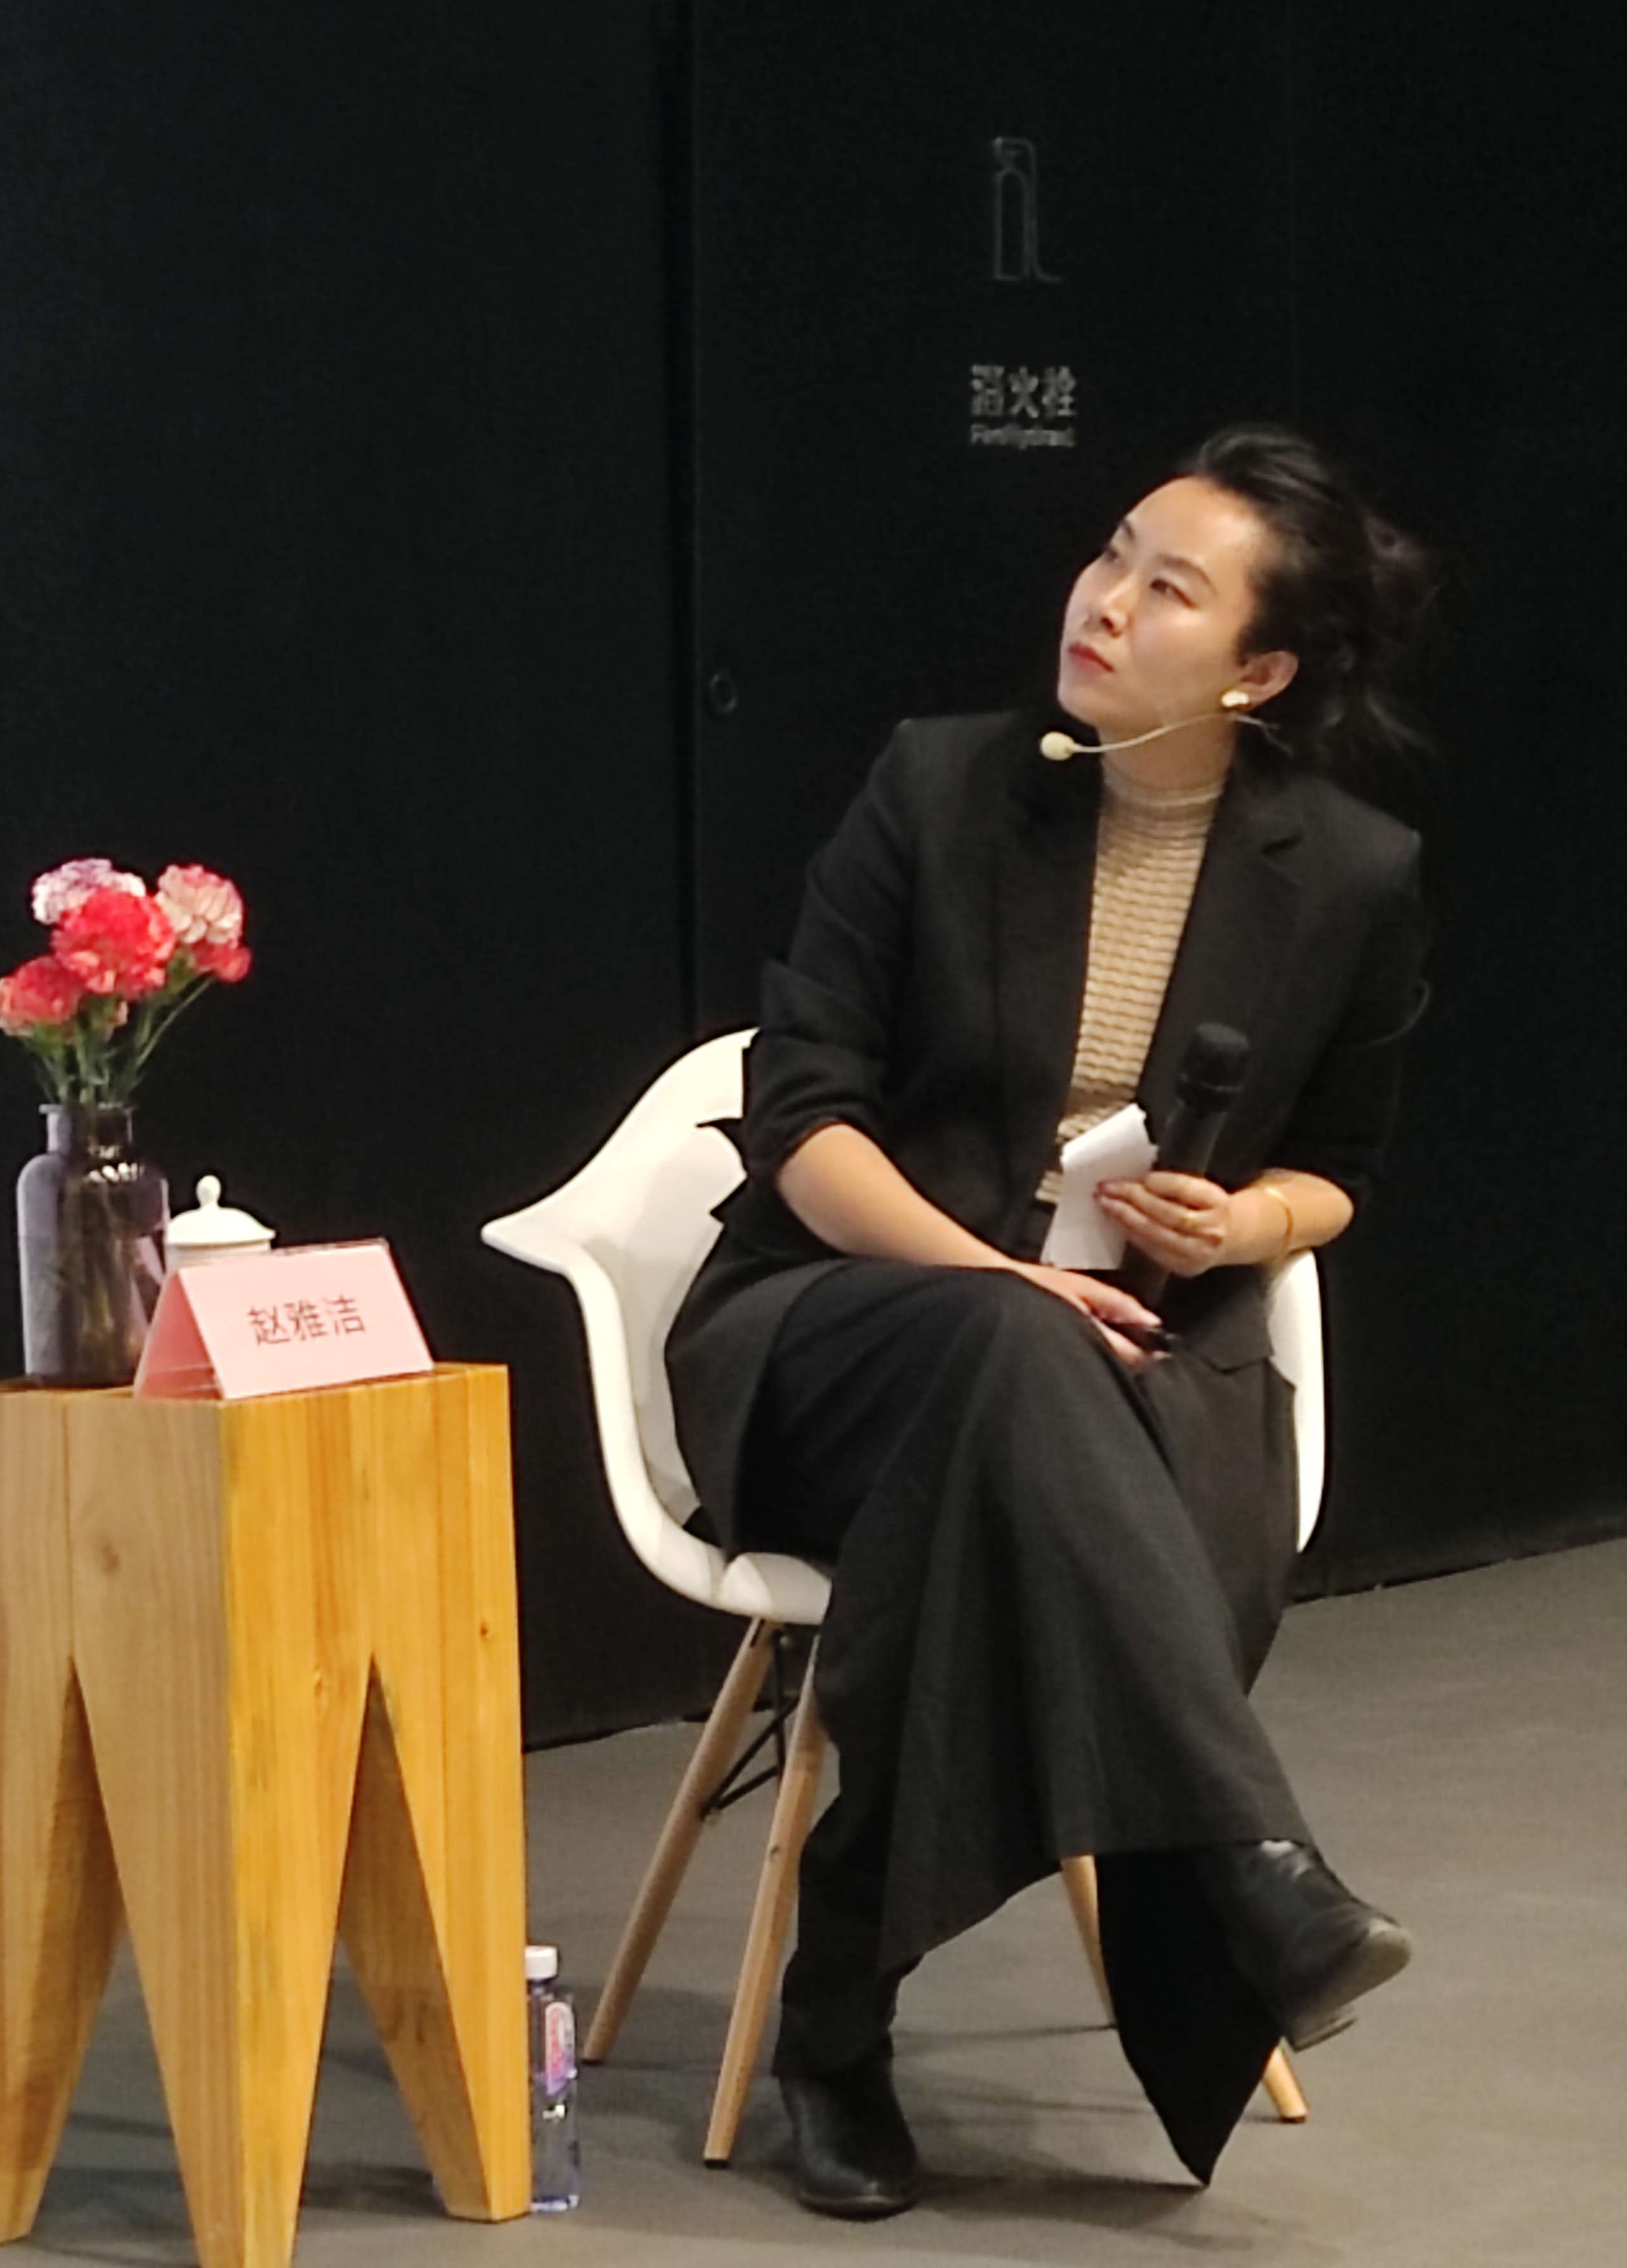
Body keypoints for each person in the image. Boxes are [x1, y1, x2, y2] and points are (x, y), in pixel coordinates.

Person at [665, 424, 1434, 2210]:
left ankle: (836, 2025)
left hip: (1136, 1362)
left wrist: (1246, 1219)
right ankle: (1246, 1856)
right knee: (1011, 1356)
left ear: (1258, 672)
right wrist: (995, 1274)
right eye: (1112, 555)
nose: (1105, 601)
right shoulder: (940, 787)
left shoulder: (1349, 873)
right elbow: (802, 1115)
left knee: (997, 1492)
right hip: (844, 1322)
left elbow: (1340, 1169)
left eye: (1170, 590)